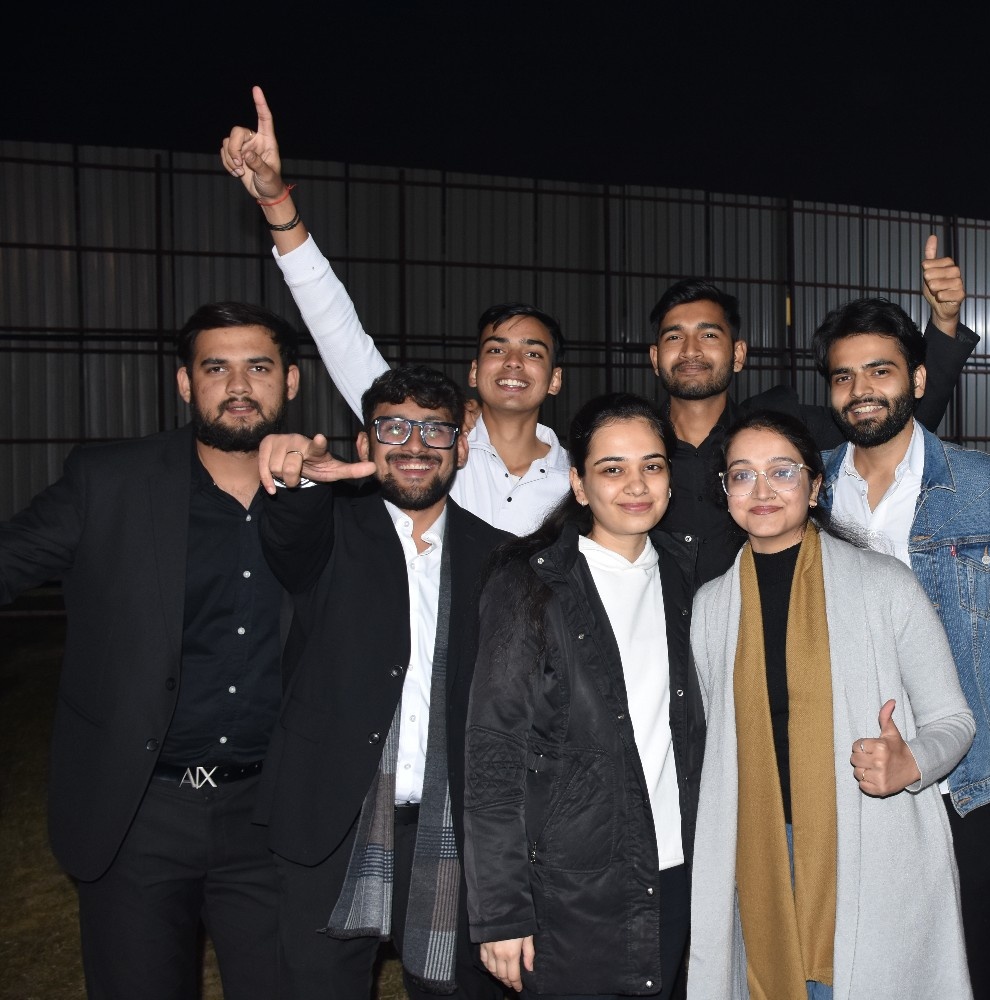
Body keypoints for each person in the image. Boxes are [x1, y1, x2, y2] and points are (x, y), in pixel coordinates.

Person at [0, 302, 300, 998]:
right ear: (185, 383)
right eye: (215, 368)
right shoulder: (109, 482)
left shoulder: (327, 494)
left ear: (290, 382)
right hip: (137, 811)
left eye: (258, 367)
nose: (238, 386)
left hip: (272, 816)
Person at [689, 409, 975, 1000]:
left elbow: (954, 720)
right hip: (760, 848)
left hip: (865, 843)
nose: (762, 491)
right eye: (742, 475)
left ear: (815, 486)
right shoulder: (711, 608)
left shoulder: (884, 584)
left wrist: (912, 762)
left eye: (782, 472)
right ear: (726, 492)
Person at [812, 298, 990, 1000]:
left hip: (962, 788)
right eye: (843, 376)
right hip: (837, 778)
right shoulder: (805, 492)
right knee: (848, 966)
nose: (860, 390)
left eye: (879, 371)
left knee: (957, 973)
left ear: (917, 378)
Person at [255, 366, 506, 998]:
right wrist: (300, 480)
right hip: (333, 820)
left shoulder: (501, 556)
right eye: (394, 428)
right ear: (365, 444)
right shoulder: (326, 532)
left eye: (435, 430)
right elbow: (286, 534)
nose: (415, 445)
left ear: (461, 448)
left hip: (453, 828)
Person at [221, 86, 571, 534]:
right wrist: (275, 201)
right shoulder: (424, 441)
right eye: (497, 349)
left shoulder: (578, 480)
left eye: (534, 352)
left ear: (555, 378)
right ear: (474, 370)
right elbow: (336, 328)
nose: (514, 363)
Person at [464, 393, 704, 998]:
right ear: (578, 483)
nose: (636, 485)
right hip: (569, 888)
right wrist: (501, 912)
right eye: (612, 468)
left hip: (678, 873)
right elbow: (493, 753)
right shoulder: (529, 584)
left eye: (652, 465)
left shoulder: (688, 578)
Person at [648, 238, 977, 587]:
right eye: (674, 337)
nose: (691, 350)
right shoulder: (630, 450)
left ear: (738, 354)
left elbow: (892, 425)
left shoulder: (784, 429)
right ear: (655, 358)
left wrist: (943, 323)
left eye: (709, 335)